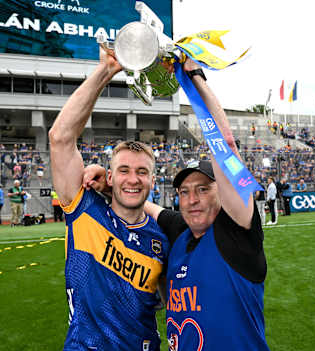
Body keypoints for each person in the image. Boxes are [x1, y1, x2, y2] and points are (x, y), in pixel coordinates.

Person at [83, 57, 269, 350]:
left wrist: (194, 77)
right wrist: (111, 186)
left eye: (203, 189)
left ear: (221, 192)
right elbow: (149, 207)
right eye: (184, 191)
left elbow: (226, 148)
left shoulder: (236, 234)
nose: (192, 200)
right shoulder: (180, 231)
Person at [48, 46, 169, 350]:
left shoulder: (161, 238)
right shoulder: (84, 208)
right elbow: (60, 138)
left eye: (142, 172)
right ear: (110, 177)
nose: (133, 179)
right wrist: (106, 71)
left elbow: (170, 304)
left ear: (153, 180)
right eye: (124, 170)